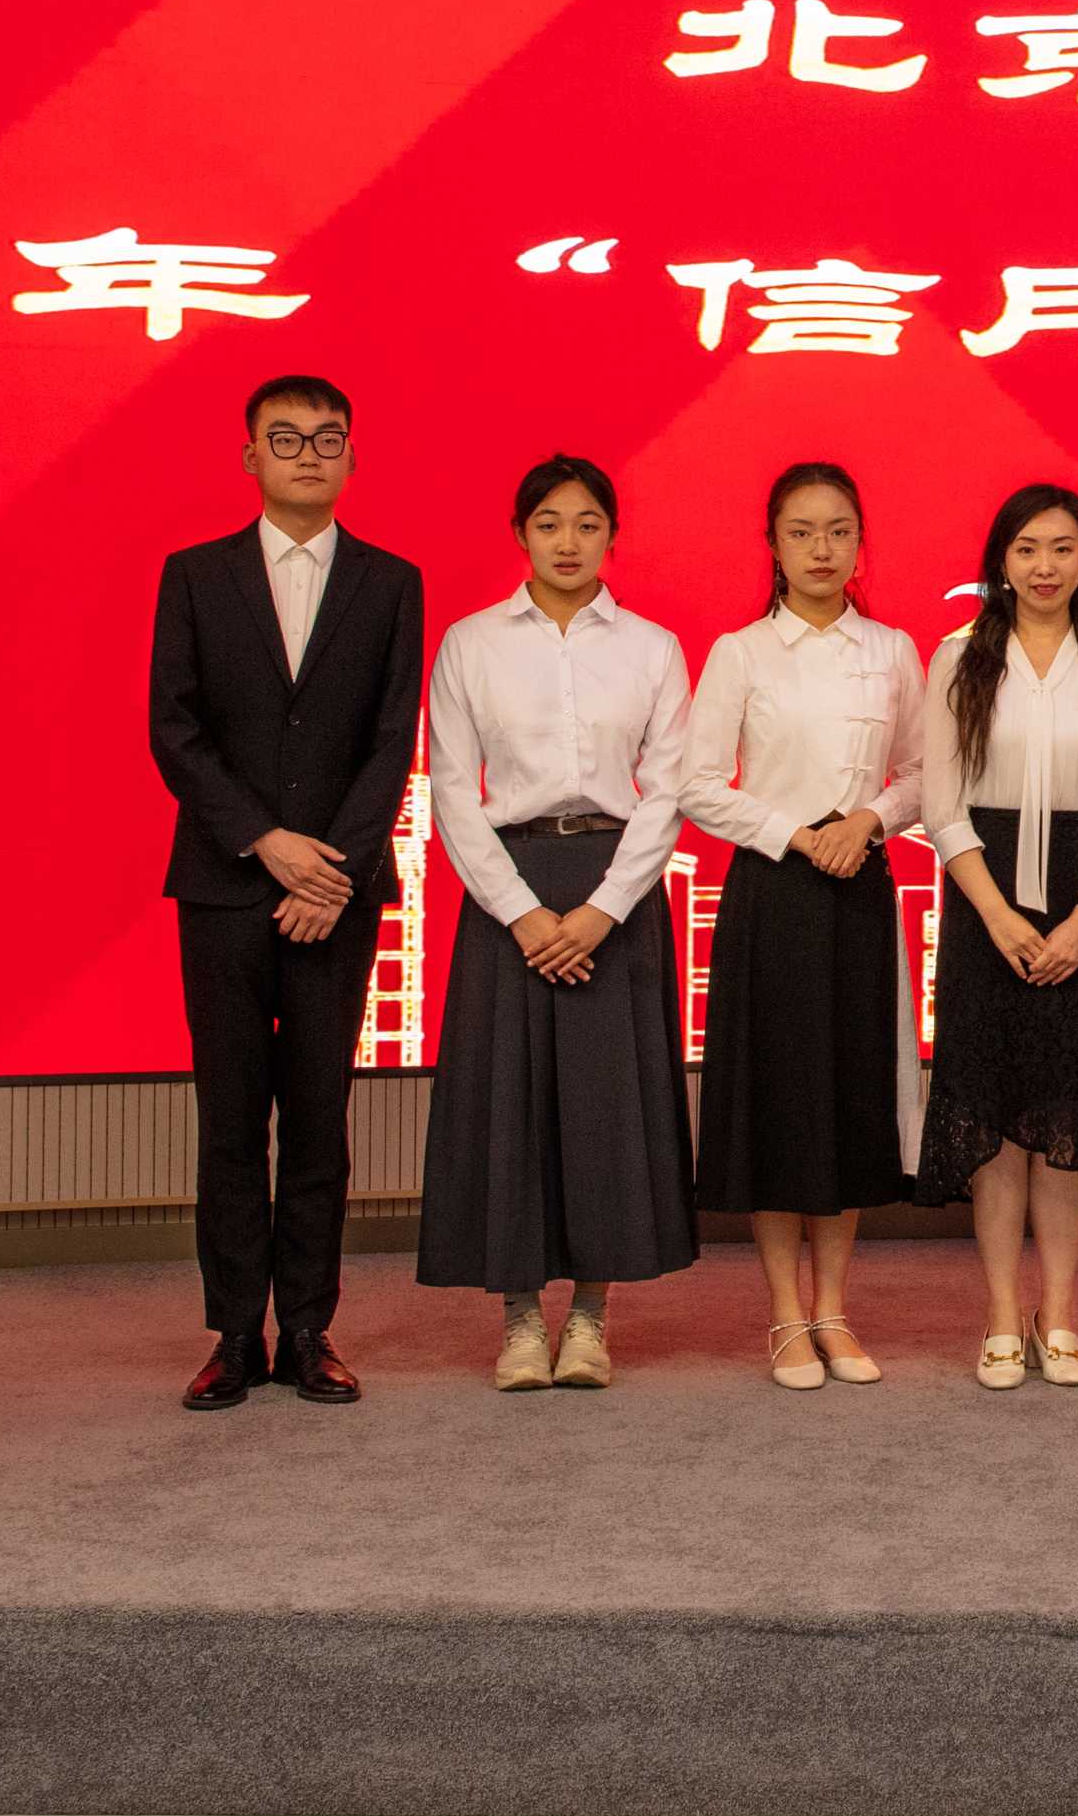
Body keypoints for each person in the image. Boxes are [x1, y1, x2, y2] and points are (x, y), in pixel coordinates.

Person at [147, 372, 424, 1411]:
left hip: (335, 898)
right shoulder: (195, 574)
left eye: (328, 437)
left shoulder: (391, 582)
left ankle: (308, 1328)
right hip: (225, 886)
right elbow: (174, 728)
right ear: (251, 456)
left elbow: (391, 738)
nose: (310, 453)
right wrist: (266, 843)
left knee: (317, 1118)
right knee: (230, 1119)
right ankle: (233, 1334)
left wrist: (333, 870)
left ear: (353, 456)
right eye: (288, 437)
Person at [412, 454, 701, 1392]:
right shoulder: (470, 644)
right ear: (520, 535)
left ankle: (589, 1319)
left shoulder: (653, 648)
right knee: (513, 1106)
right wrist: (526, 914)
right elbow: (452, 791)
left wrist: (604, 910)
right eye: (548, 524)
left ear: (612, 534)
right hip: (511, 891)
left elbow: (667, 791)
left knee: (605, 1109)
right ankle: (517, 1323)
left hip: (616, 888)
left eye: (586, 524)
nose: (567, 542)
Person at [684, 461, 924, 1391]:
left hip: (859, 883)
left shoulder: (892, 650)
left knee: (850, 1095)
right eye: (801, 532)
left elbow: (922, 773)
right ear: (774, 546)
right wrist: (795, 834)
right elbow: (698, 784)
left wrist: (869, 821)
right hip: (773, 893)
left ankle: (834, 1309)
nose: (822, 549)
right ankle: (785, 1314)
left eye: (839, 531)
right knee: (780, 1098)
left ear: (861, 543)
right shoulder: (741, 652)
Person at [915, 483, 1078, 1391]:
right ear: (1001, 562)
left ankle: (1057, 1315)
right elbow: (942, 805)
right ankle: (999, 1317)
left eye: (1062, 548)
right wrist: (998, 915)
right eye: (1026, 549)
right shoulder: (957, 659)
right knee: (992, 1120)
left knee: (1066, 1116)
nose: (1044, 566)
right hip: (983, 901)